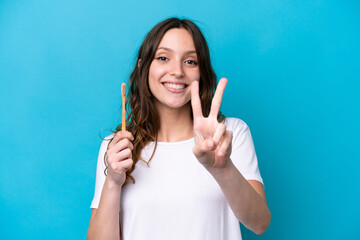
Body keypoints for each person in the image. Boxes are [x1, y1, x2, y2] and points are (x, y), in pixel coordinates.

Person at [87, 18, 271, 240]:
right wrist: (113, 181)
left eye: (190, 62)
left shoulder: (229, 134)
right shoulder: (116, 149)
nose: (177, 71)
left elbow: (260, 223)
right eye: (163, 58)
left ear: (201, 72)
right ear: (142, 66)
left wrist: (222, 168)